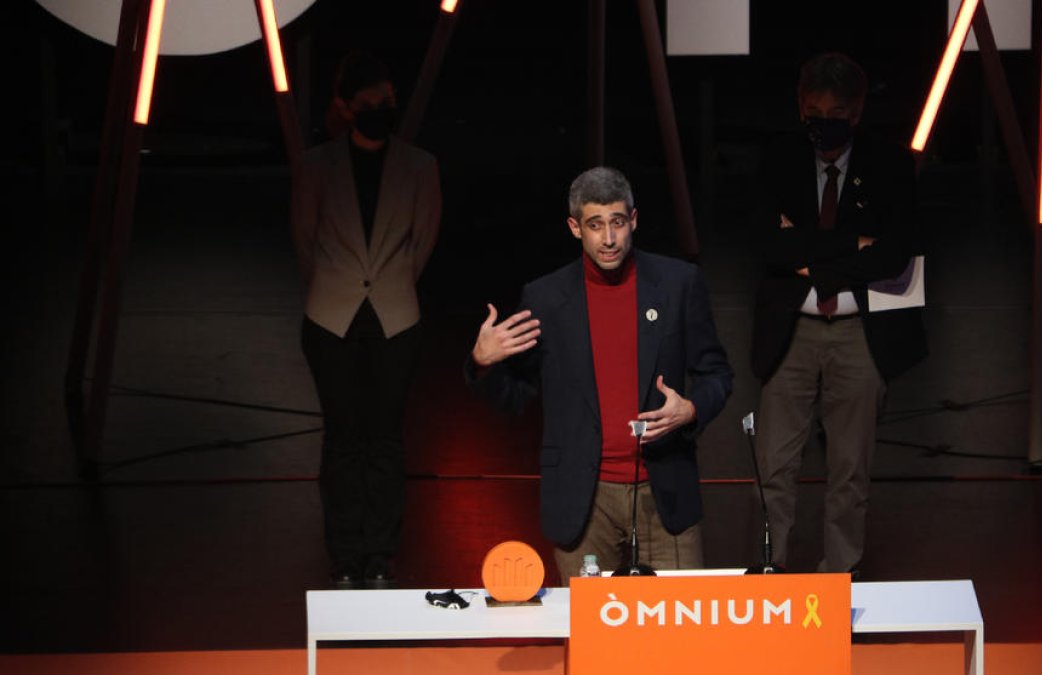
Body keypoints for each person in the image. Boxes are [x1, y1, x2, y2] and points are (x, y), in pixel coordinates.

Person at [466, 166, 733, 583]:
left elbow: (717, 372)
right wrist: (484, 363)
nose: (608, 238)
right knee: (591, 624)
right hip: (584, 498)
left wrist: (692, 408)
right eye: (595, 225)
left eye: (617, 222)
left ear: (634, 220)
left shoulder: (678, 283)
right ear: (575, 228)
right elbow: (516, 396)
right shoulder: (545, 298)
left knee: (678, 623)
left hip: (663, 489)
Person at [751, 52, 927, 576]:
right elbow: (769, 246)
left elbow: (894, 254)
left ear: (857, 112)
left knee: (850, 471)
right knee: (772, 466)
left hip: (860, 336)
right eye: (814, 113)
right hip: (791, 332)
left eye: (836, 115)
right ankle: (769, 576)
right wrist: (854, 244)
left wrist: (811, 254)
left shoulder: (892, 165)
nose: (824, 125)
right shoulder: (777, 159)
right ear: (800, 106)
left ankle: (839, 579)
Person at [291, 50, 441, 589]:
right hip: (331, 319)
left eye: (388, 101)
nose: (381, 110)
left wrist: (390, 283)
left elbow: (423, 241)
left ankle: (380, 555)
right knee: (341, 440)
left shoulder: (420, 166)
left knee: (385, 439)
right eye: (371, 102)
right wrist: (340, 285)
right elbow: (305, 240)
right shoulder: (316, 166)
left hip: (396, 319)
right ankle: (344, 556)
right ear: (347, 106)